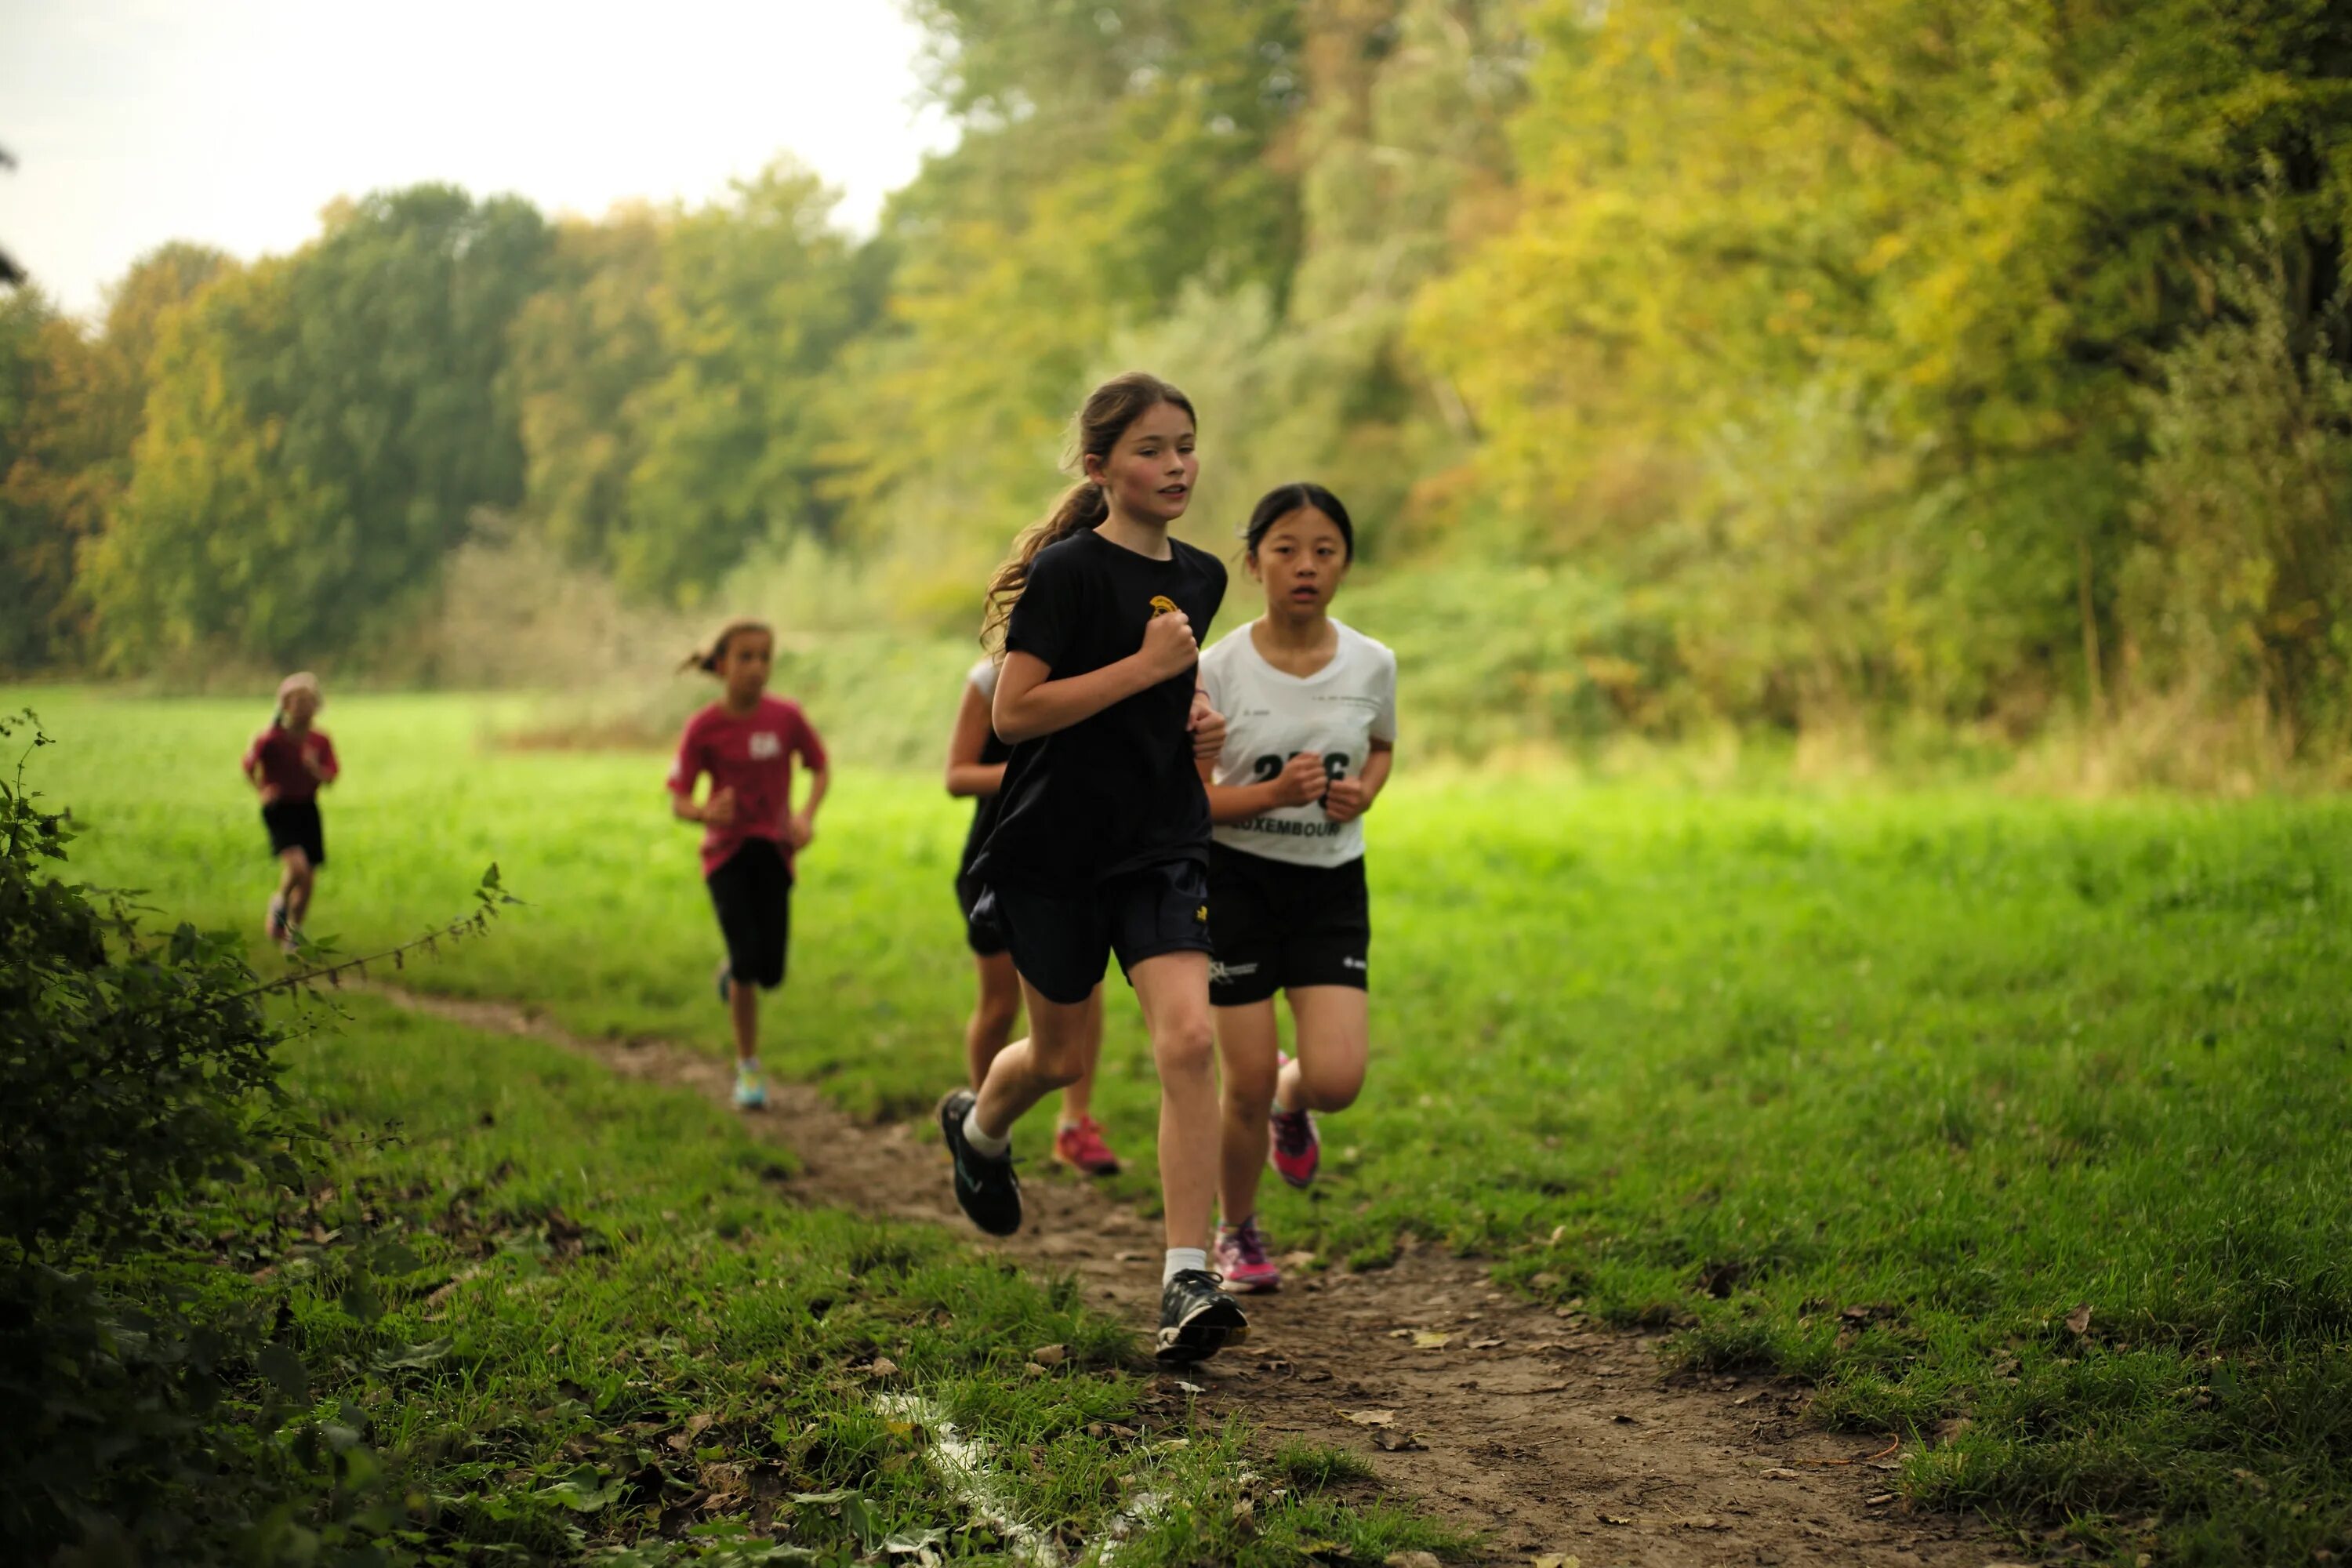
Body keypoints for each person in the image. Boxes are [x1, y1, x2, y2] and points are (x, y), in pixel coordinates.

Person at [935, 370, 1247, 1363]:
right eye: (1153, 449)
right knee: (1060, 1057)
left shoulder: (1202, 575)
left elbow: (1161, 696)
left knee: (1189, 1038)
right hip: (1053, 850)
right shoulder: (1068, 572)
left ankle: (1185, 1275)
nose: (1176, 465)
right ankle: (980, 1126)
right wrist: (1149, 671)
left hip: (1159, 842)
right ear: (1101, 465)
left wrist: (1191, 717)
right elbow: (1016, 714)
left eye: (1187, 445)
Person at [1196, 484, 1396, 1293]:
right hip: (1235, 882)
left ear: (1345, 562)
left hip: (1330, 884)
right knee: (1237, 1081)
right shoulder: (1216, 667)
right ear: (1253, 564)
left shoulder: (1373, 662)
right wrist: (1271, 796)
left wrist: (1365, 792)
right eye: (1285, 548)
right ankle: (1235, 1231)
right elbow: (1189, 797)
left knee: (1338, 1079)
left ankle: (1295, 1092)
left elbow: (1380, 746)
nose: (1305, 565)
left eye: (1324, 549)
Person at [945, 657, 1122, 1175]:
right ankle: (984, 1134)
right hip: (999, 862)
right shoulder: (991, 678)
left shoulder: (1106, 665)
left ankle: (1075, 1126)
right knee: (999, 1006)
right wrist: (1040, 775)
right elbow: (957, 776)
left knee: (1086, 995)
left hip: (1079, 860)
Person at [667, 618, 829, 1110]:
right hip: (726, 856)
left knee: (771, 972)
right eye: (746, 657)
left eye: (765, 656)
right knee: (746, 961)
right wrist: (703, 812)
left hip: (774, 852)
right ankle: (749, 1069)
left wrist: (804, 817)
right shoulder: (704, 727)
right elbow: (678, 796)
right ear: (721, 665)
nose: (757, 667)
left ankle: (733, 974)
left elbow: (819, 766)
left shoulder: (786, 718)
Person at [243, 671, 339, 954]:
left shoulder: (320, 741)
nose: (304, 707)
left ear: (317, 706)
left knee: (308, 880)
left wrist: (314, 770)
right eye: (297, 702)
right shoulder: (271, 739)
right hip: (280, 809)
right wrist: (262, 789)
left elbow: (331, 777)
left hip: (307, 809)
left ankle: (293, 934)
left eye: (309, 701)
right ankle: (280, 902)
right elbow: (249, 765)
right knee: (297, 867)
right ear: (285, 706)